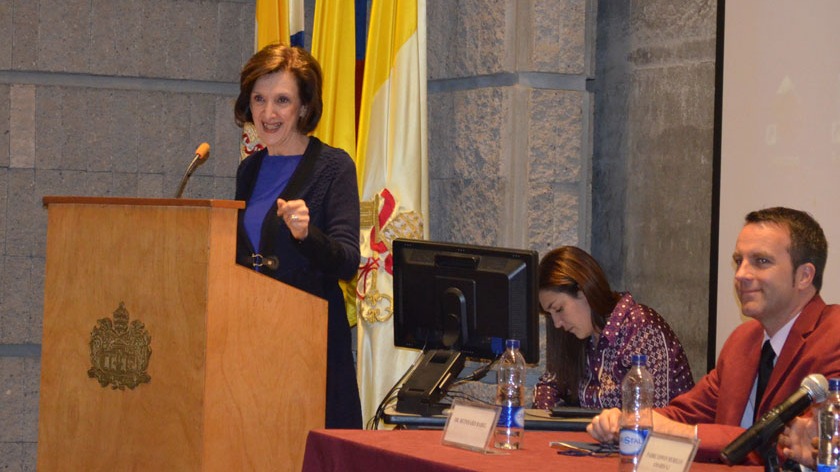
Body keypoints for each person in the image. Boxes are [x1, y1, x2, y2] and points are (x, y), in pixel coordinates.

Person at [587, 207, 840, 465]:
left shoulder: (834, 337)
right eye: (739, 261)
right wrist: (632, 419)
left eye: (761, 261)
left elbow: (795, 445)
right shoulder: (743, 340)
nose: (741, 275)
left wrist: (680, 433)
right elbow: (685, 414)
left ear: (804, 276)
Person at [233, 44, 363, 429]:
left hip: (311, 343)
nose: (268, 114)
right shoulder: (250, 169)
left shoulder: (333, 167)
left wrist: (308, 235)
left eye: (282, 100)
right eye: (259, 99)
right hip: (252, 335)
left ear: (304, 107)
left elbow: (346, 261)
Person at [533, 246, 694, 410]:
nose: (557, 323)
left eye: (559, 309)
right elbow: (550, 383)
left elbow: (650, 418)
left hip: (651, 435)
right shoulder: (583, 336)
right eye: (549, 314)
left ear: (583, 291)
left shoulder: (641, 329)